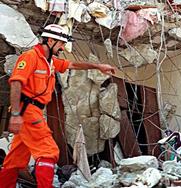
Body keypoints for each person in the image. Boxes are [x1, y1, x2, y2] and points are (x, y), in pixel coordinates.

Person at [0, 24, 115, 187]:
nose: (63, 47)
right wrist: (16, 115)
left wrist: (98, 66)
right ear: (50, 40)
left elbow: (72, 65)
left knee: (15, 159)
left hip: (34, 112)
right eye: (61, 43)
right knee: (48, 152)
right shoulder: (30, 57)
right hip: (28, 112)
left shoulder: (50, 62)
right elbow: (16, 83)